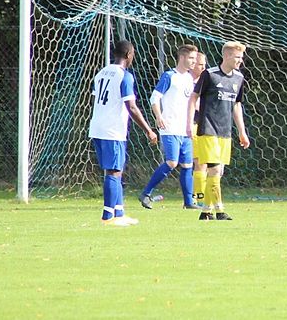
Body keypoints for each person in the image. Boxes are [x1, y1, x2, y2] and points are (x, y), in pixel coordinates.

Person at [89, 40, 158, 226]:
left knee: (115, 171)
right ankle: (108, 216)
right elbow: (131, 107)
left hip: (97, 127)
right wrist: (148, 130)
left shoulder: (101, 73)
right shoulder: (124, 76)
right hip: (112, 130)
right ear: (129, 55)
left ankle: (119, 213)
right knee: (114, 171)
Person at [187, 41, 250, 221]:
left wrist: (242, 131)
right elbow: (193, 98)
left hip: (225, 131)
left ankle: (206, 211)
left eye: (241, 57)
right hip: (207, 128)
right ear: (227, 56)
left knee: (218, 172)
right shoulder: (210, 74)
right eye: (237, 57)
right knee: (214, 169)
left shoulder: (239, 78)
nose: (240, 60)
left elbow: (236, 105)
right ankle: (220, 210)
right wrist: (188, 124)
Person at [139, 44, 200, 210]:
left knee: (187, 165)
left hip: (185, 129)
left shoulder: (189, 78)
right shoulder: (169, 76)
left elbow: (191, 102)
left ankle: (189, 202)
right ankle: (146, 193)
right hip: (170, 127)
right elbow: (154, 98)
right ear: (182, 57)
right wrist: (159, 116)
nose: (194, 62)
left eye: (195, 58)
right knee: (172, 162)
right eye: (191, 58)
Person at [189, 52, 209, 207]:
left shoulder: (206, 81)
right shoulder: (186, 82)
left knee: (203, 162)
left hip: (204, 125)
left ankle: (197, 196)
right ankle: (197, 197)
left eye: (204, 64)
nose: (203, 68)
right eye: (200, 64)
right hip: (192, 124)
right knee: (199, 161)